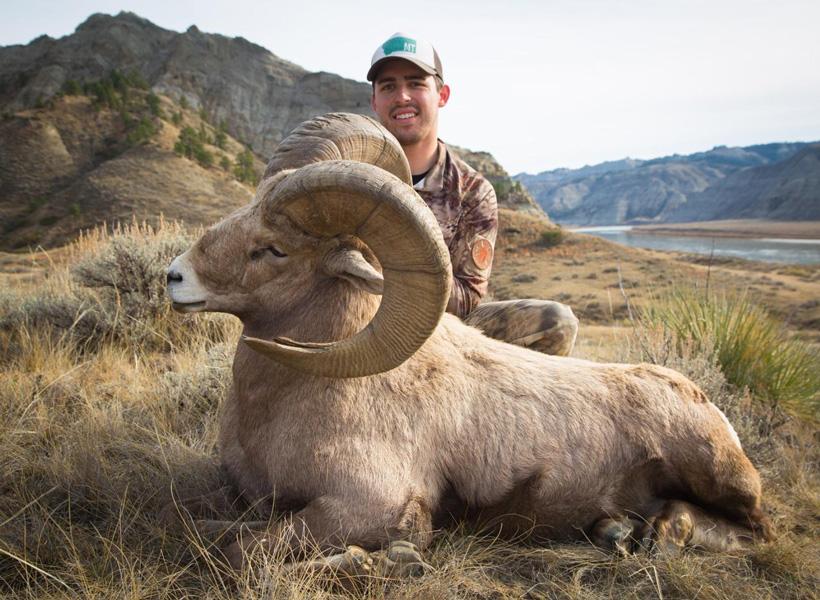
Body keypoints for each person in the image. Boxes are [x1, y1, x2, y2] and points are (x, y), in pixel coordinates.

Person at [368, 33, 578, 355]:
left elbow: (467, 297)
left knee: (556, 322)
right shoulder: (351, 174)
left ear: (442, 94)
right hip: (355, 317)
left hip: (443, 335)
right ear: (374, 101)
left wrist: (390, 277)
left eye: (416, 83)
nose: (403, 96)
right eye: (388, 86)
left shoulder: (473, 190)